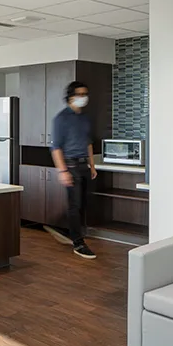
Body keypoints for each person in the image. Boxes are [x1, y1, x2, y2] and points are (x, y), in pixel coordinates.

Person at [50, 81, 98, 260]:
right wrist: (62, 171)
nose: (83, 97)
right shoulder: (61, 119)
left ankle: (61, 227)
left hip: (83, 164)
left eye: (85, 94)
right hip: (70, 165)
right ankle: (78, 243)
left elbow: (88, 142)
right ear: (70, 96)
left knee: (83, 204)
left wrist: (92, 165)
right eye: (79, 94)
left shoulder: (85, 118)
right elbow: (55, 148)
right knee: (75, 205)